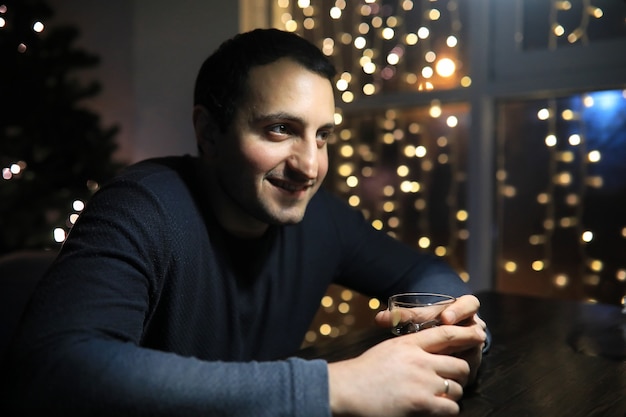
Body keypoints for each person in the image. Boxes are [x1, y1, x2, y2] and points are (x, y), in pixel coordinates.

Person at [2, 28, 488, 416]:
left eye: (322, 136)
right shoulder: (141, 204)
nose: (310, 166)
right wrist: (334, 387)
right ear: (209, 133)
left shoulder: (322, 218)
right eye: (281, 129)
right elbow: (54, 370)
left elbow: (419, 272)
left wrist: (453, 323)